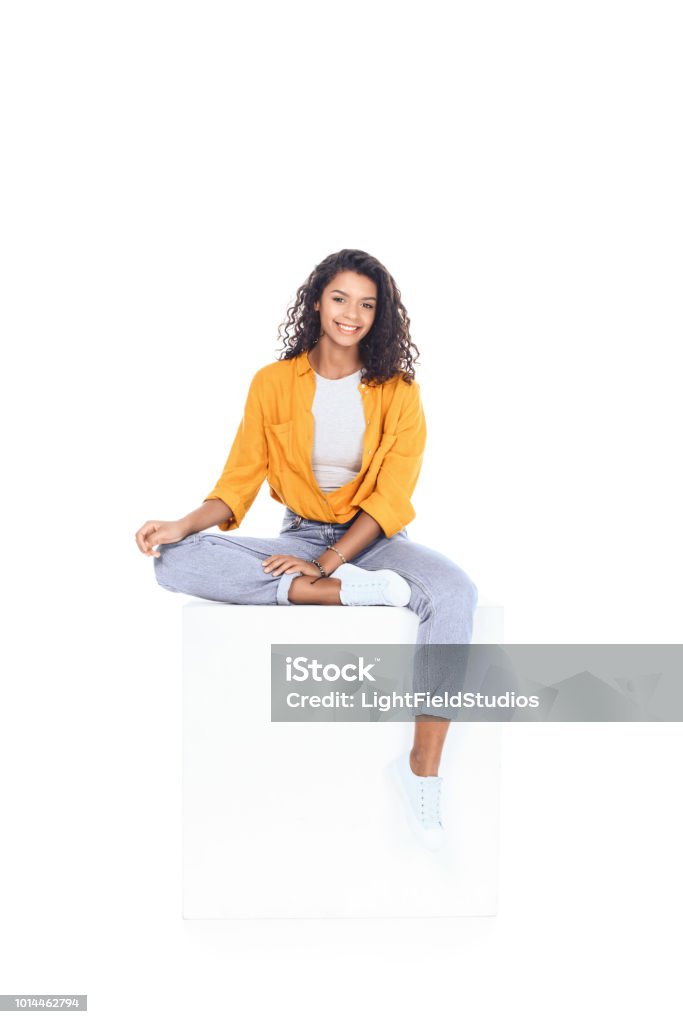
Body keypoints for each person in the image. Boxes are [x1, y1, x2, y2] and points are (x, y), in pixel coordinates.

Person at [134, 248, 478, 850]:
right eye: (341, 298)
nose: (352, 314)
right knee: (176, 559)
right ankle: (326, 596)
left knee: (455, 592)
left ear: (381, 316)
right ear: (317, 299)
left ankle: (422, 771)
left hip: (370, 541)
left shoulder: (399, 393)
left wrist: (330, 561)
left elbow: (392, 498)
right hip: (299, 535)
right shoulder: (273, 384)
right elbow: (237, 484)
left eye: (368, 305)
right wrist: (183, 522)